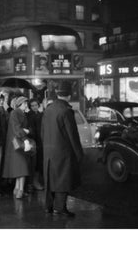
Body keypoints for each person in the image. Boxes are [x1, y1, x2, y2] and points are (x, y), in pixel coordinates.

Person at [41, 81, 84, 217]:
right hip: (63, 151)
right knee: (62, 180)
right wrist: (79, 153)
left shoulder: (48, 109)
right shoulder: (66, 111)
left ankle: (48, 206)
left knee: (50, 179)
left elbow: (42, 132)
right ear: (69, 96)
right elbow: (73, 135)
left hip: (48, 150)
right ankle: (60, 207)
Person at [2, 96, 33, 199]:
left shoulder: (16, 113)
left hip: (15, 143)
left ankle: (17, 188)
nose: (26, 105)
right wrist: (25, 137)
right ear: (20, 104)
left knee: (19, 167)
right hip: (19, 142)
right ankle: (20, 190)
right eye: (24, 104)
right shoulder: (16, 113)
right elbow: (17, 128)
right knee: (22, 167)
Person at [27, 98, 44, 191]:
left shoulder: (40, 114)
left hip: (40, 141)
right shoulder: (30, 116)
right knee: (35, 163)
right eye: (32, 106)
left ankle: (36, 181)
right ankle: (33, 182)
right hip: (34, 141)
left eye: (36, 105)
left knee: (39, 162)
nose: (34, 107)